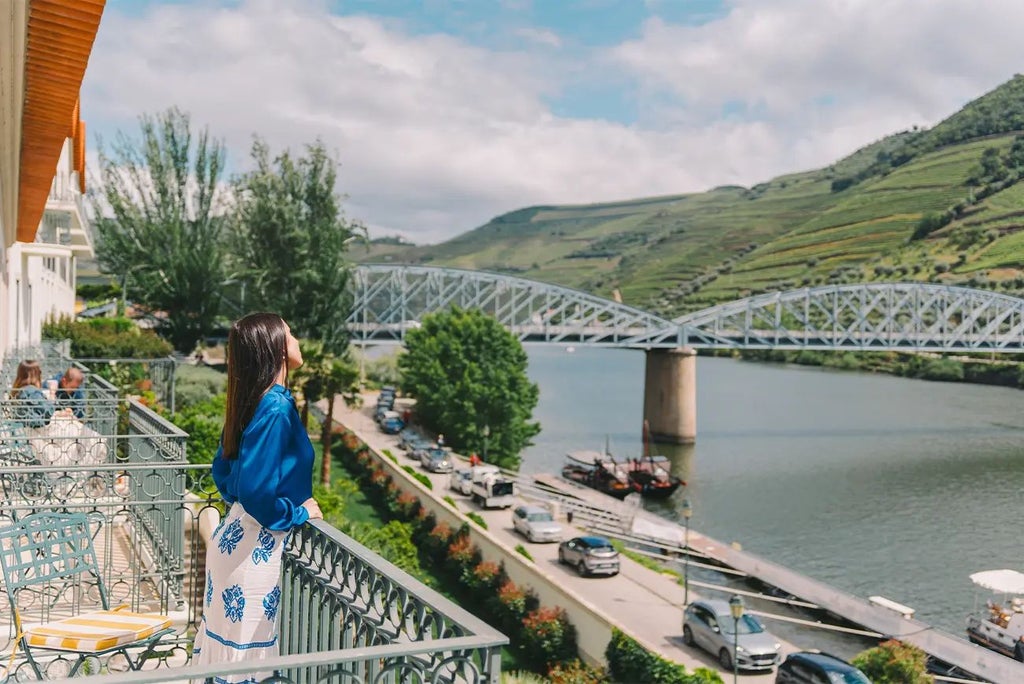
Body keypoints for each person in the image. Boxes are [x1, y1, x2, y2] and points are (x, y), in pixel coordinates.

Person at [192, 313, 323, 680]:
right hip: (255, 549)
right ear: (279, 347)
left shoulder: (251, 400)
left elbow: (223, 472)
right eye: (291, 332)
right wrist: (296, 513)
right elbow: (256, 492)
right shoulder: (277, 406)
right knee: (247, 665)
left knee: (228, 660)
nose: (296, 340)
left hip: (233, 540)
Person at [10, 360, 55, 428]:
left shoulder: (19, 389)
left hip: (22, 427)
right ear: (36, 375)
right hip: (34, 430)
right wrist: (52, 393)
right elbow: (48, 412)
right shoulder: (32, 391)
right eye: (39, 372)